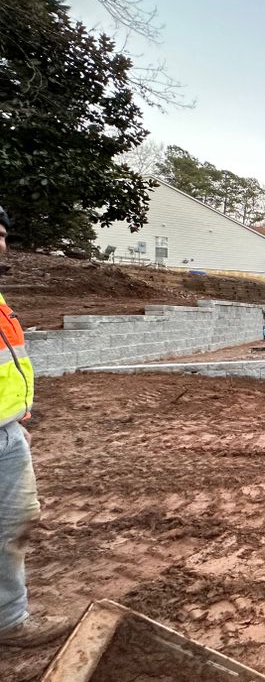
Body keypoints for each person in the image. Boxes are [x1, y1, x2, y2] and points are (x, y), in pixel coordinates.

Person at [0, 204, 71, 648]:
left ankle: (9, 619)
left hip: (8, 435)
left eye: (2, 234)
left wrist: (14, 420)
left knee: (15, 526)